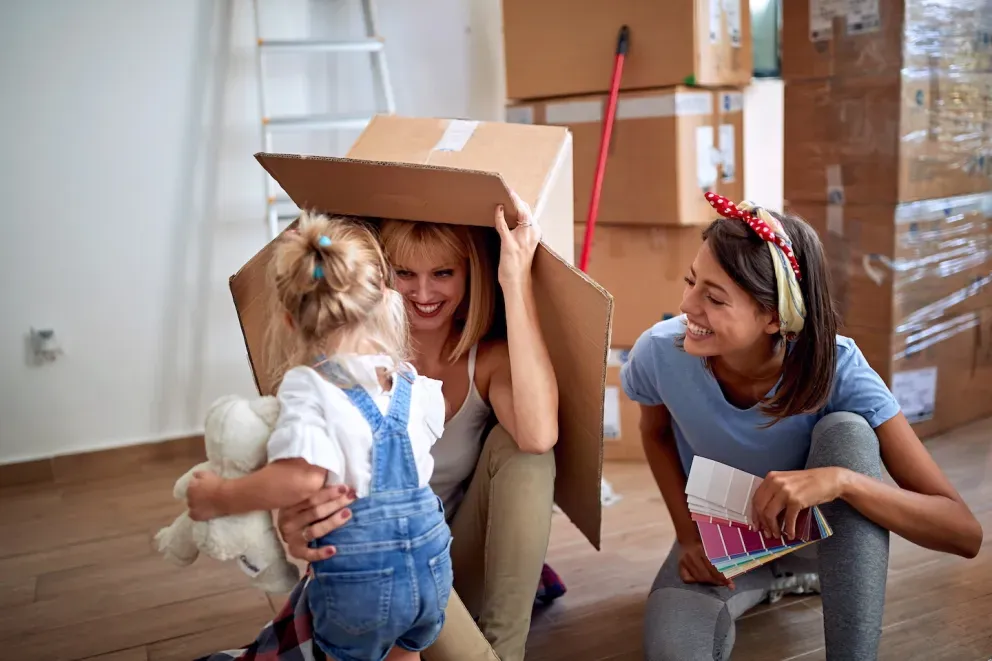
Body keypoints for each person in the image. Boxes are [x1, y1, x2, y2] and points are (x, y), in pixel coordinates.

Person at [621, 192, 984, 661]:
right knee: (672, 650)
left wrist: (843, 482)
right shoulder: (660, 352)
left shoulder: (840, 367)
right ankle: (770, 579)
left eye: (713, 297)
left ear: (774, 318)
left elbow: (963, 532)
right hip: (727, 543)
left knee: (848, 433)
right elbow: (654, 434)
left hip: (826, 546)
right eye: (692, 281)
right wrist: (689, 536)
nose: (687, 305)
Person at [197, 193, 559, 661]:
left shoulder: (484, 360)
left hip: (444, 559)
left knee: (526, 452)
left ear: (470, 275)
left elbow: (538, 435)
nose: (424, 294)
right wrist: (292, 526)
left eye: (443, 273)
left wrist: (516, 281)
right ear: (377, 280)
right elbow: (297, 482)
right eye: (405, 273)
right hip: (375, 572)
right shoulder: (340, 372)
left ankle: (506, 652)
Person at [185, 211, 453, 661]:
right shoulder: (413, 383)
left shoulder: (309, 384)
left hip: (362, 574)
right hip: (433, 563)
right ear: (385, 300)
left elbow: (302, 479)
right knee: (406, 654)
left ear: (290, 322)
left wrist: (221, 497)